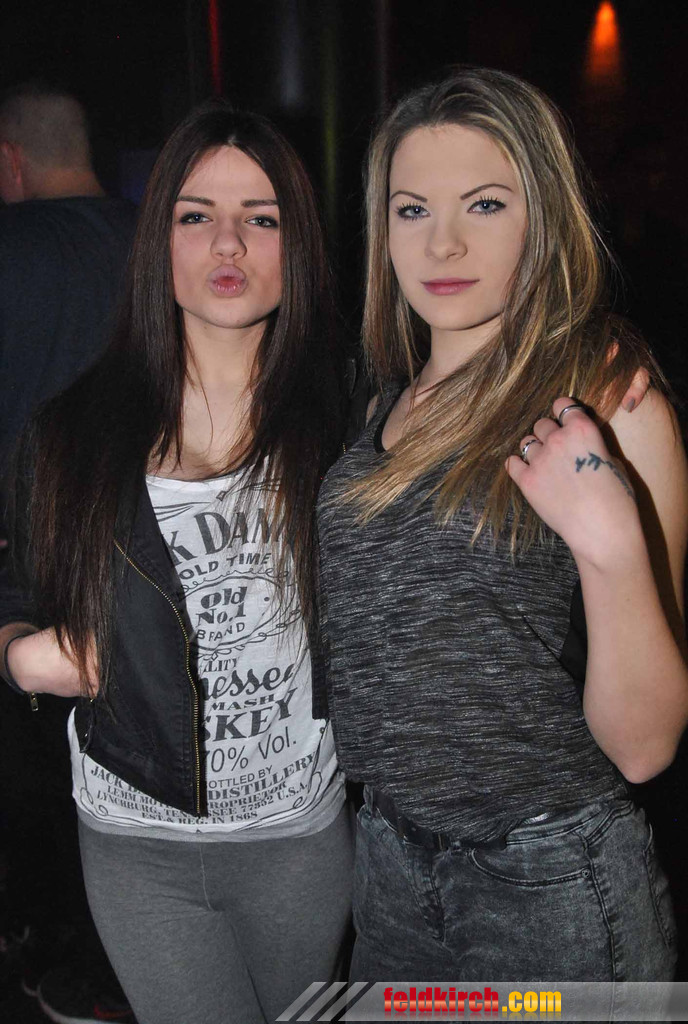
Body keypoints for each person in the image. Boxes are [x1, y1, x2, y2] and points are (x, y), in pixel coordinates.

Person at [316, 67, 688, 982]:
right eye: (411, 210)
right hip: (388, 866)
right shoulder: (380, 402)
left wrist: (610, 546)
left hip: (548, 881)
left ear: (543, 217)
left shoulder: (604, 396)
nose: (442, 242)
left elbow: (646, 746)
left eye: (484, 204)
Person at [0, 99, 352, 1024]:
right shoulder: (69, 434)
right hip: (136, 843)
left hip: (299, 836)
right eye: (197, 215)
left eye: (261, 218)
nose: (228, 243)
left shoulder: (350, 424)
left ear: (298, 244)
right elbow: (11, 587)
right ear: (157, 239)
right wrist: (19, 653)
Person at [0, 82, 138, 1023]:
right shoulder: (163, 239)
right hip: (161, 551)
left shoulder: (11, 250)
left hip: (33, 561)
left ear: (10, 159)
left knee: (41, 774)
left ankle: (69, 957)